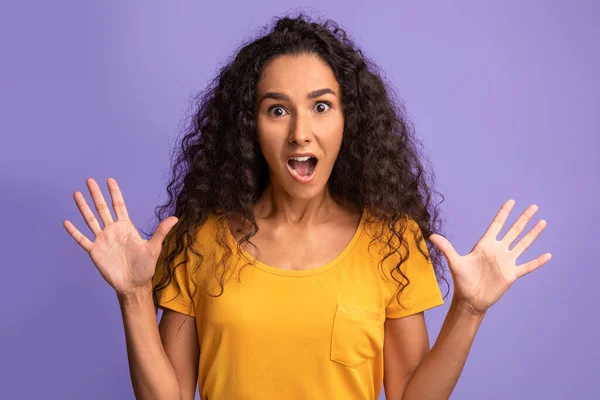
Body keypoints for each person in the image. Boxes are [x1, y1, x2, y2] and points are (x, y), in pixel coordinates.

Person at [63, 13, 551, 400]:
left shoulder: (392, 242)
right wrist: (133, 295)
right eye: (277, 109)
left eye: (321, 106)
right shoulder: (200, 241)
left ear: (348, 120)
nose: (301, 132)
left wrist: (467, 309)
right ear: (250, 127)